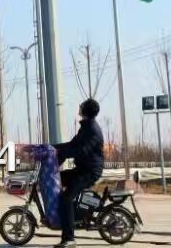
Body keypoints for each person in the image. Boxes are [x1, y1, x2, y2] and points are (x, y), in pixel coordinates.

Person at [52, 98, 104, 248]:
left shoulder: (92, 130)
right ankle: (68, 216)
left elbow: (81, 151)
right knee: (57, 179)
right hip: (82, 169)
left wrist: (62, 153)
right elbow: (72, 144)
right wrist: (51, 147)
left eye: (82, 105)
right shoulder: (86, 127)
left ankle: (69, 239)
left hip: (89, 171)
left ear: (86, 110)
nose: (79, 106)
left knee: (67, 198)